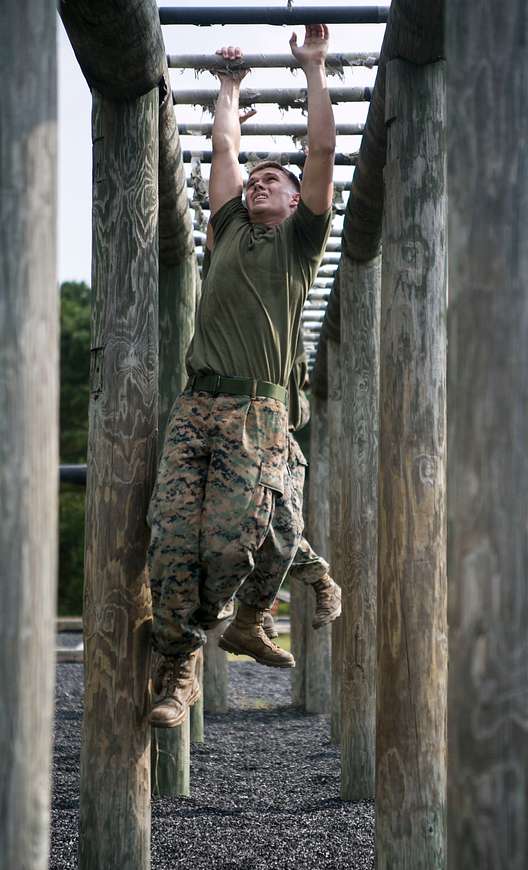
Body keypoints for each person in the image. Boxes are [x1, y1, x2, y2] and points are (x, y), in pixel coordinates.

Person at [147, 25, 335, 727]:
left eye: (273, 181)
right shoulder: (226, 228)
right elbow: (224, 147)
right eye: (256, 179)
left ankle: (223, 623)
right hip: (197, 405)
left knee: (232, 540)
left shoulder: (300, 242)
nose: (260, 182)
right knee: (168, 538)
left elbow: (320, 151)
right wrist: (228, 88)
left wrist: (313, 69)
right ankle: (178, 668)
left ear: (294, 202)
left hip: (257, 412)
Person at [228, 345, 342, 663]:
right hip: (251, 434)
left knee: (283, 526)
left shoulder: (285, 344)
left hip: (280, 440)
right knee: (266, 525)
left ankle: (320, 585)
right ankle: (270, 606)